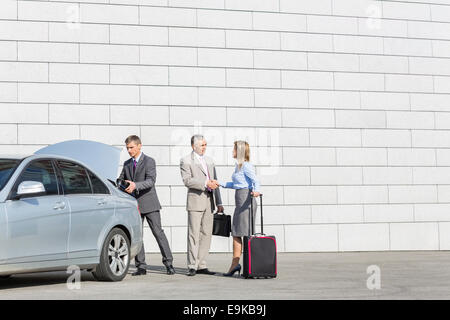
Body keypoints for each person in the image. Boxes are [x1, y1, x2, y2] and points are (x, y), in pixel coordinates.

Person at [118, 135, 175, 276]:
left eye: (131, 147)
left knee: (158, 233)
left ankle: (169, 263)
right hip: (134, 205)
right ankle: (141, 266)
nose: (129, 150)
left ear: (139, 146)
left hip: (150, 204)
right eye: (127, 148)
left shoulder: (149, 161)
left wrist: (135, 185)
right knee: (138, 235)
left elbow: (150, 181)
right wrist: (121, 184)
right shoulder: (127, 164)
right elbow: (121, 178)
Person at [180, 134, 224, 276]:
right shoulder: (186, 160)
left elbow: (215, 181)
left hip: (209, 202)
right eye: (202, 145)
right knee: (193, 234)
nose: (204, 147)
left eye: (205, 145)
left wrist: (219, 202)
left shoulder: (210, 160)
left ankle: (201, 264)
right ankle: (192, 265)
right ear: (194, 146)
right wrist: (205, 183)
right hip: (195, 201)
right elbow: (187, 180)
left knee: (206, 233)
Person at [219, 141, 261, 277]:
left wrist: (257, 191)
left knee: (245, 234)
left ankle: (249, 266)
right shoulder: (238, 166)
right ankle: (236, 265)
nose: (232, 151)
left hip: (246, 202)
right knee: (237, 233)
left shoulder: (246, 166)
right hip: (240, 201)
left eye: (234, 149)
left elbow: (256, 181)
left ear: (240, 151)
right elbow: (236, 184)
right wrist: (219, 183)